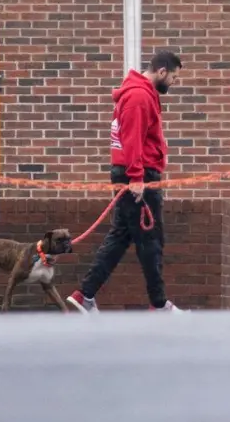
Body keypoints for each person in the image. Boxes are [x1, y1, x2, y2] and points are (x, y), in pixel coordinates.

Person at [67, 50, 185, 313]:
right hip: (138, 177)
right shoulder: (139, 97)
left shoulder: (140, 93)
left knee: (121, 236)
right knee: (151, 240)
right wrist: (136, 178)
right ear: (162, 72)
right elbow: (131, 138)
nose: (174, 83)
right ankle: (159, 305)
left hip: (136, 175)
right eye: (174, 78)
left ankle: (84, 295)